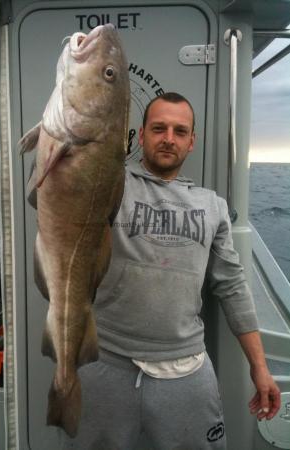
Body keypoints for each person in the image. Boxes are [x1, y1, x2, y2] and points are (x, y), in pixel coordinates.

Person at [32, 92, 281, 450]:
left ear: (191, 142)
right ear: (141, 134)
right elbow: (54, 189)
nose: (169, 138)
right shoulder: (109, 183)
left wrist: (259, 366)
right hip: (105, 361)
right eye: (159, 128)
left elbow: (234, 288)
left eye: (180, 131)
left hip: (186, 369)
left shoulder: (212, 206)